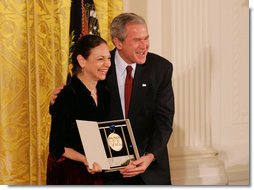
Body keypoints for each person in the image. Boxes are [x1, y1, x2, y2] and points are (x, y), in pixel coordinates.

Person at [50, 12, 175, 185]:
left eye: (146, 38)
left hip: (150, 170)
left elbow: (164, 119)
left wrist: (150, 156)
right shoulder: (98, 65)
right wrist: (55, 103)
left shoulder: (161, 68)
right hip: (108, 173)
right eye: (137, 40)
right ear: (118, 42)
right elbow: (77, 104)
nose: (144, 45)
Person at [47, 34, 111, 185]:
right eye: (100, 59)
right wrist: (85, 159)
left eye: (108, 58)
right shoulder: (67, 95)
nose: (107, 63)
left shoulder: (105, 93)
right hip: (71, 173)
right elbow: (57, 146)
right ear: (82, 61)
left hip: (97, 170)